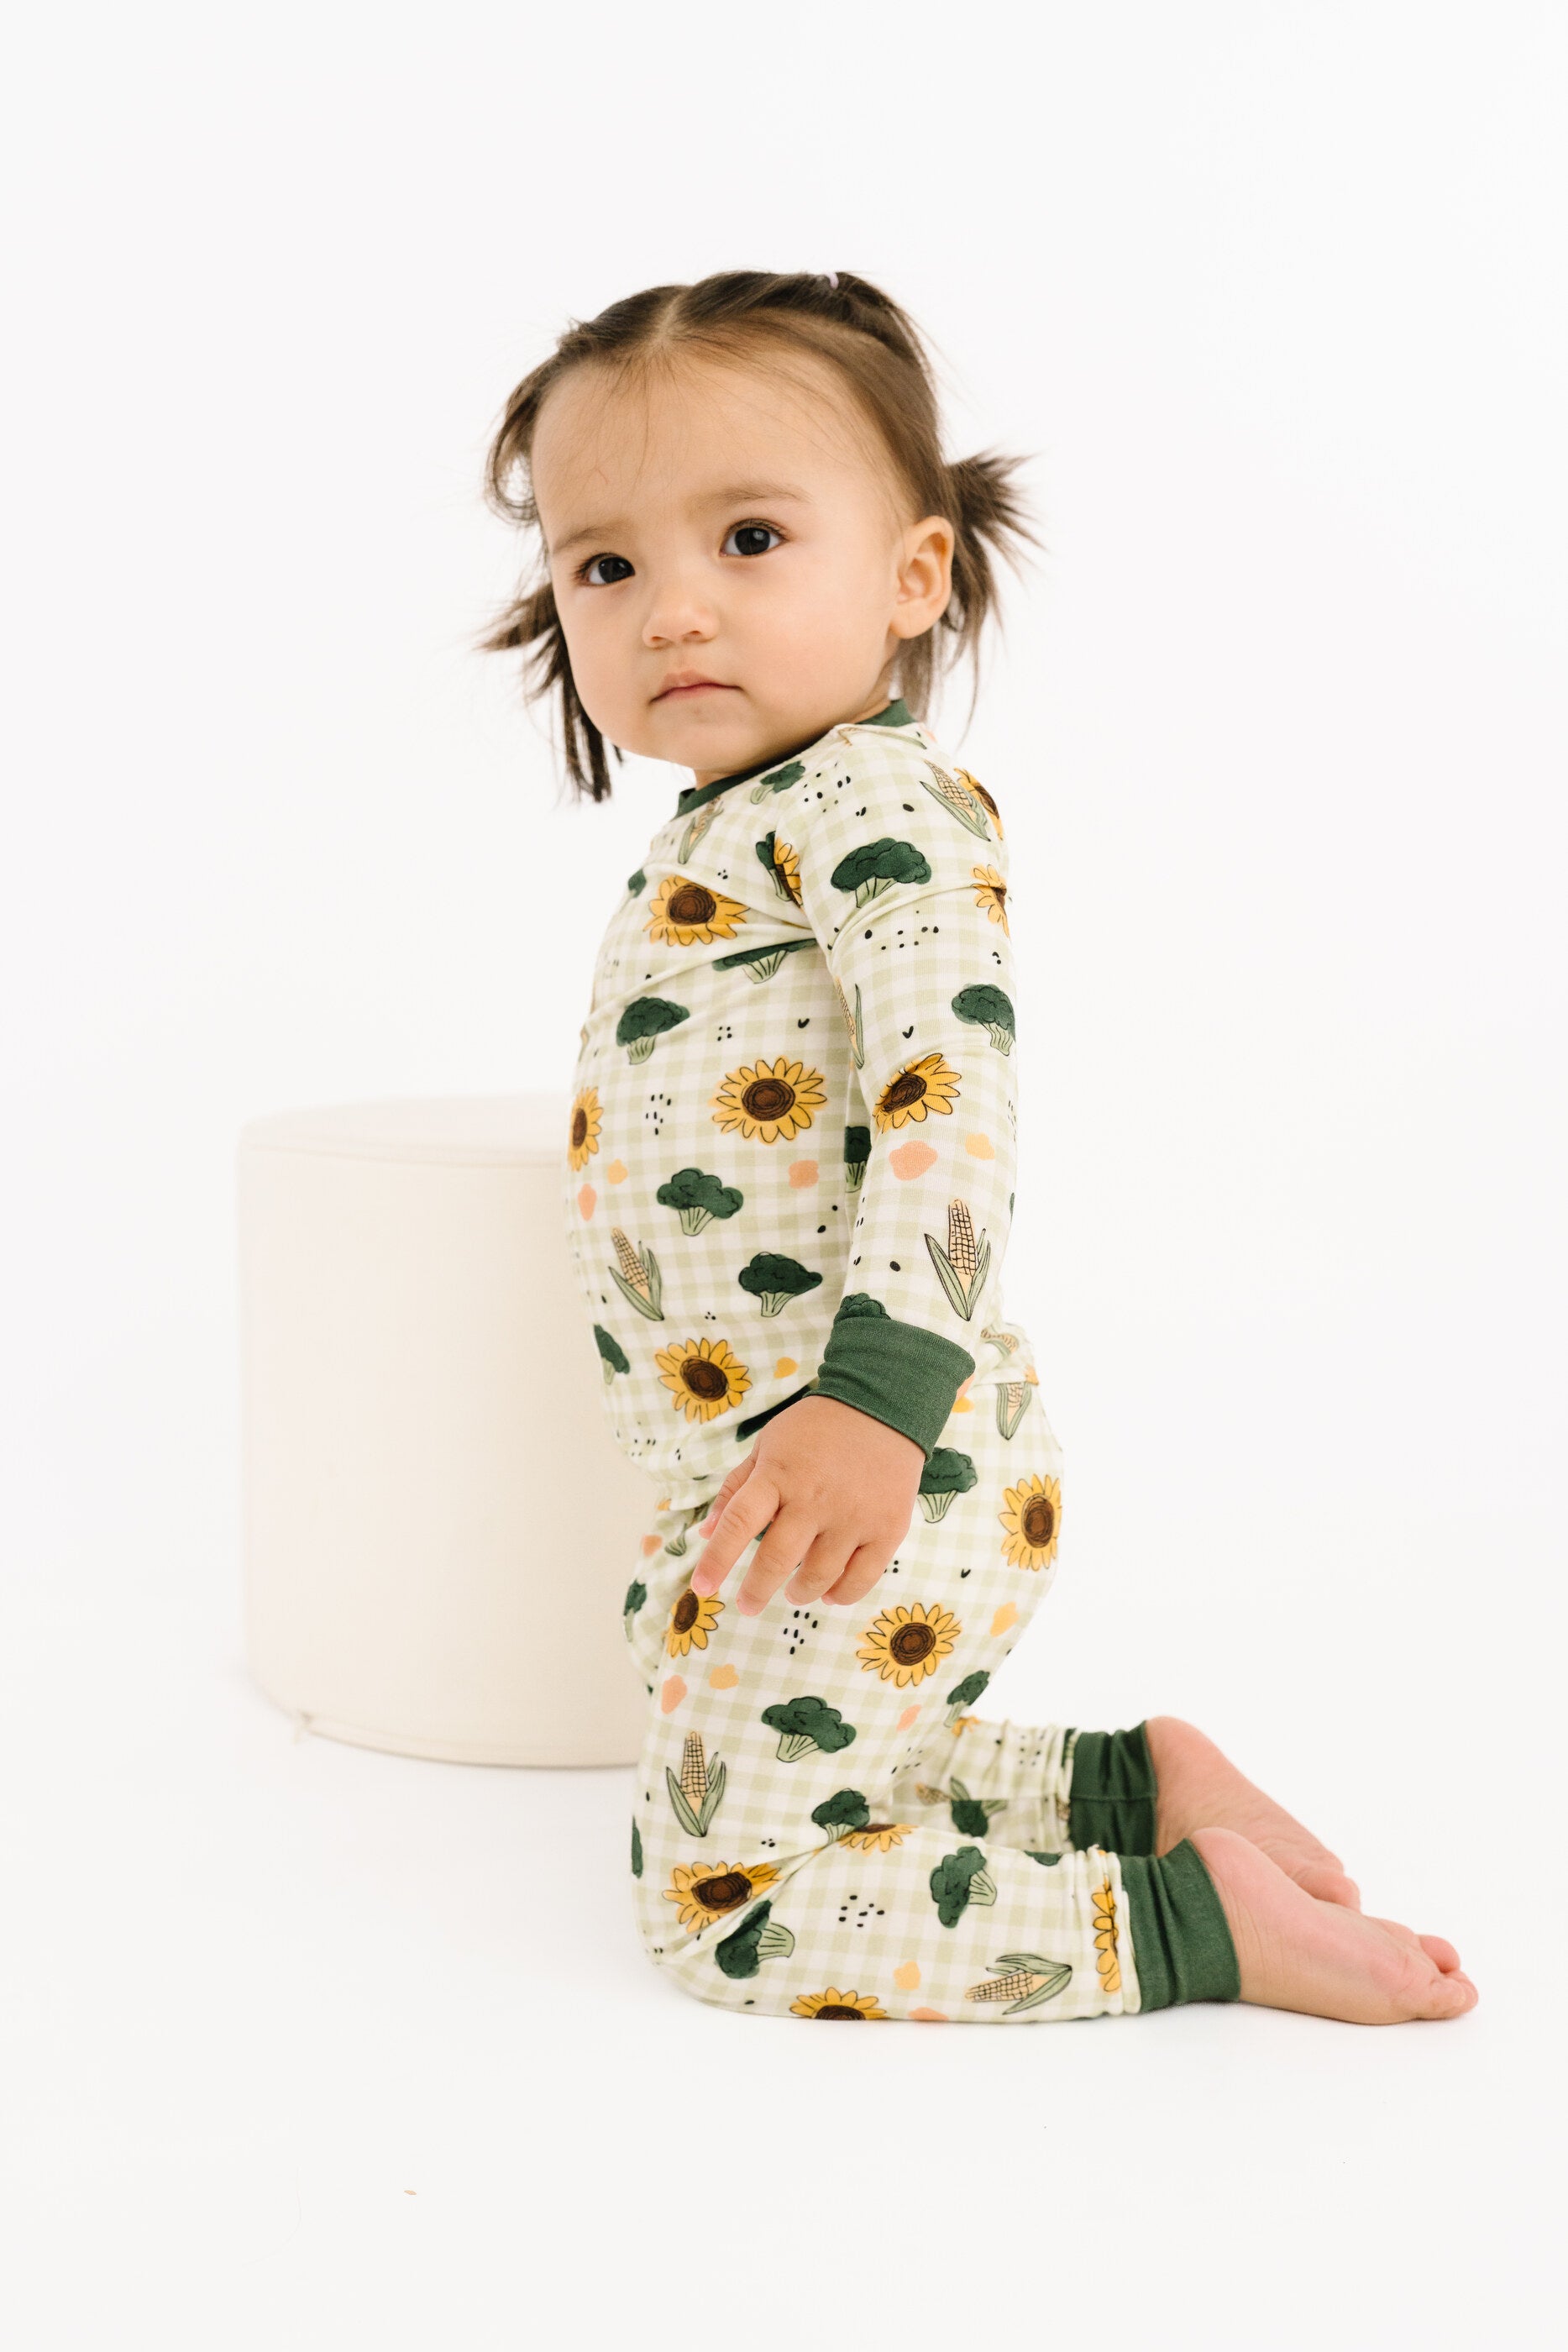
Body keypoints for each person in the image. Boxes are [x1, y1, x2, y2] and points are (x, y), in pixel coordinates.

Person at [480, 270, 1476, 2026]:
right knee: (834, 1762)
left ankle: (1191, 1929)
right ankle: (1132, 1790)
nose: (671, 608)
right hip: (766, 1464)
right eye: (606, 565)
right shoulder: (745, 821)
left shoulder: (874, 805)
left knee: (725, 1905)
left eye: (750, 537)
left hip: (881, 1444)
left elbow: (954, 1098)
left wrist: (875, 1403)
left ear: (912, 575)